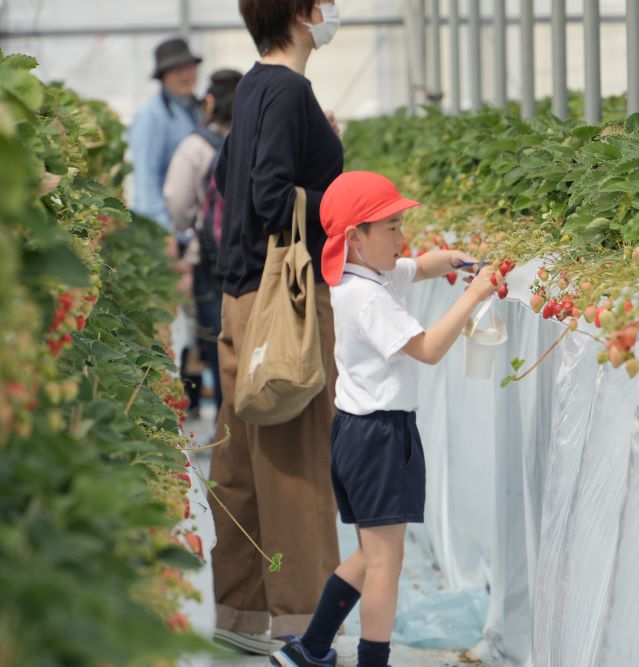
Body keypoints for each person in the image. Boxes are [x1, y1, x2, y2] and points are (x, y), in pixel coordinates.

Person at [269, 170, 496, 667]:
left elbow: (422, 265)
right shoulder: (367, 297)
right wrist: (473, 295)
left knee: (370, 555)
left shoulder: (364, 274)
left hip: (360, 432)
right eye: (391, 226)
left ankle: (309, 648)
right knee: (386, 565)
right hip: (380, 438)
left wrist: (459, 260)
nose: (401, 236)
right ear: (355, 237)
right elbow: (430, 349)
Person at [208, 0, 344, 656]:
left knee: (240, 464)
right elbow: (270, 196)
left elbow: (225, 175)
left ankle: (240, 613)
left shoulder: (255, 85)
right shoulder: (290, 91)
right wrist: (346, 202)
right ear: (298, 12)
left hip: (237, 300)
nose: (332, 11)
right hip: (283, 300)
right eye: (324, 2)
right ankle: (303, 626)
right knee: (293, 466)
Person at [164, 68, 243, 419]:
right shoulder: (256, 140)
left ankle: (224, 432)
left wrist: (188, 231)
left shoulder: (194, 147)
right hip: (258, 261)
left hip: (210, 263)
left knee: (215, 345)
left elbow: (177, 204)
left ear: (209, 102)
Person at [129, 37, 203, 229]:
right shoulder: (152, 116)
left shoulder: (196, 108)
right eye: (176, 70)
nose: (185, 74)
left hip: (189, 226)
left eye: (189, 67)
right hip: (167, 228)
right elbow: (146, 177)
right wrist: (162, 233)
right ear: (163, 76)